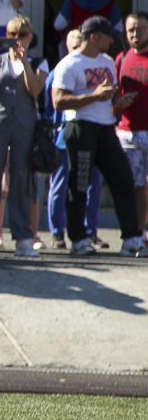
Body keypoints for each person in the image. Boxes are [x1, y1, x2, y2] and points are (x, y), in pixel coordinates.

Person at [52, 16, 144, 255]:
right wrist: (94, 95)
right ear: (94, 37)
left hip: (106, 129)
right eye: (107, 37)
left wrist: (118, 100)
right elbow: (58, 101)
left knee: (123, 180)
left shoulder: (107, 61)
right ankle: (78, 240)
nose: (112, 41)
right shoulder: (69, 64)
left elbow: (109, 94)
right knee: (79, 184)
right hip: (81, 128)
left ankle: (132, 238)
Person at [0, 17, 44, 257]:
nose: (17, 38)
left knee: (21, 179)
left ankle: (23, 238)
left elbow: (35, 89)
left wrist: (24, 61)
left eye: (22, 34)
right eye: (13, 34)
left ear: (30, 37)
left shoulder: (38, 61)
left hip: (25, 125)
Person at [44, 29, 103, 250]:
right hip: (64, 137)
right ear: (67, 47)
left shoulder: (96, 70)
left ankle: (90, 231)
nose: (79, 48)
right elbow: (48, 108)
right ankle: (57, 232)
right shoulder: (58, 72)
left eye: (82, 44)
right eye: (75, 45)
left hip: (93, 136)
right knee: (61, 184)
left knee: (93, 185)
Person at [116, 11, 148, 238]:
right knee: (135, 186)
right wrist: (118, 103)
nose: (135, 34)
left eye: (141, 29)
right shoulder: (121, 58)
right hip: (127, 133)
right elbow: (113, 94)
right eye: (131, 30)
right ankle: (138, 235)